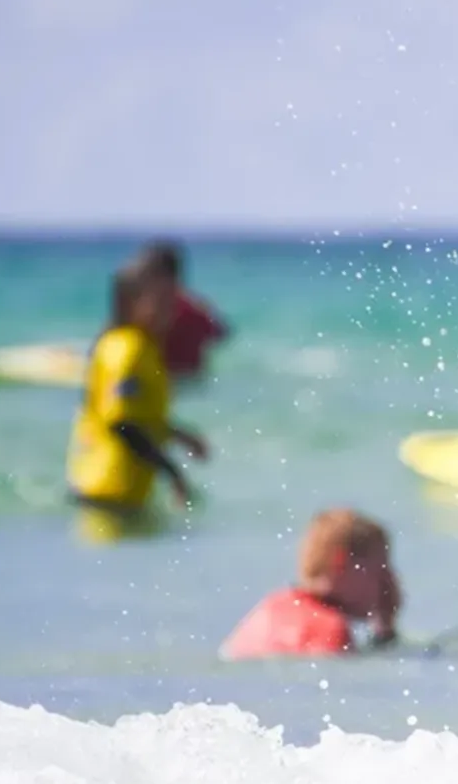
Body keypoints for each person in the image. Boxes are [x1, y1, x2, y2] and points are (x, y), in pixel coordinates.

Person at [66, 263, 209, 535]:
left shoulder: (141, 345)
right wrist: (172, 472)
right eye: (162, 302)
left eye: (173, 301)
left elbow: (140, 415)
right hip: (106, 495)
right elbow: (121, 424)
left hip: (115, 494)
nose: (171, 310)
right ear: (131, 303)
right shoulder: (128, 350)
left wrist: (179, 435)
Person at [220, 509, 404, 660]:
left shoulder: (272, 605)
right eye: (381, 568)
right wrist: (388, 637)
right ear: (342, 563)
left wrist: (385, 627)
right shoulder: (331, 629)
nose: (389, 581)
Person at [136, 240, 230, 381]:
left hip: (164, 382)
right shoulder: (196, 309)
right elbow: (221, 334)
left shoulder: (146, 312)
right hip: (193, 385)